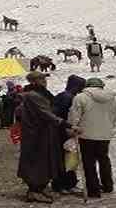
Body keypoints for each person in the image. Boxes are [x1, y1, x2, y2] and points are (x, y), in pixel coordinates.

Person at [17, 71, 71, 203]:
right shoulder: (33, 96)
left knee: (44, 160)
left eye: (44, 79)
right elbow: (45, 113)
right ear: (34, 81)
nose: (44, 81)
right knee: (37, 161)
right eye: (41, 79)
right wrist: (64, 123)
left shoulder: (39, 94)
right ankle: (34, 190)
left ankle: (39, 188)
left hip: (43, 132)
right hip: (37, 134)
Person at [68, 77, 116, 199]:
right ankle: (108, 185)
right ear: (101, 86)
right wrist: (113, 129)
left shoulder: (80, 97)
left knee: (89, 162)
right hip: (105, 135)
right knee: (104, 159)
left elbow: (74, 116)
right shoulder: (112, 99)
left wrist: (73, 128)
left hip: (86, 135)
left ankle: (93, 190)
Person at [50, 75, 86, 195]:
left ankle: (59, 183)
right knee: (69, 158)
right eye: (81, 87)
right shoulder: (69, 98)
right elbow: (68, 116)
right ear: (75, 87)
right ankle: (66, 184)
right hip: (65, 131)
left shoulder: (61, 95)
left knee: (61, 158)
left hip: (57, 130)